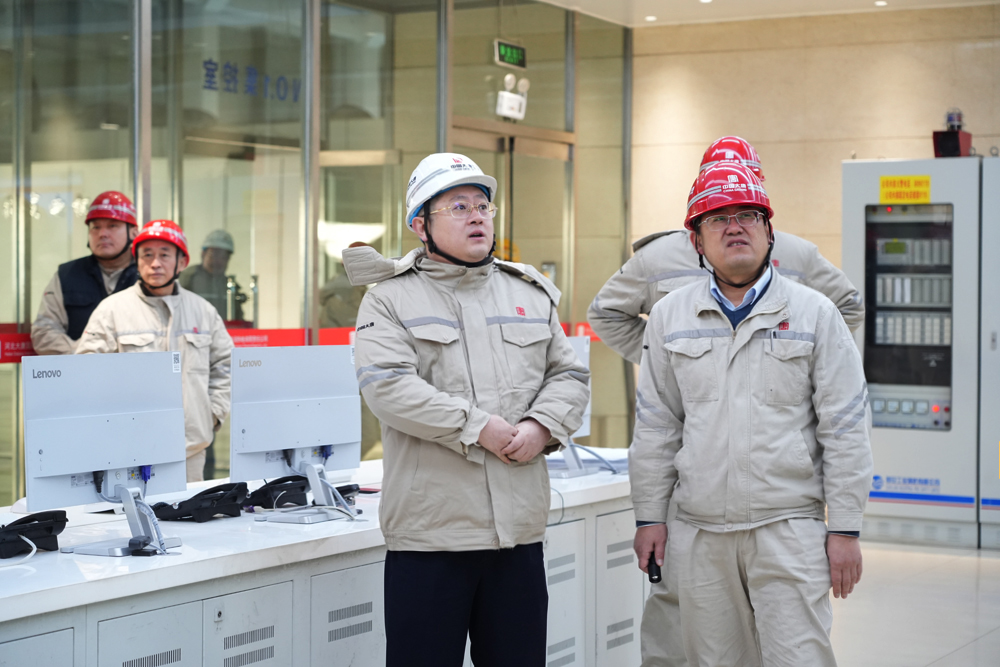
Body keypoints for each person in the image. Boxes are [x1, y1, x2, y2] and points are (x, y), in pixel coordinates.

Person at [343, 153, 590, 667]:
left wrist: (541, 426)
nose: (477, 216)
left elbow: (568, 375)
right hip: (431, 537)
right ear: (421, 226)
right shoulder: (389, 300)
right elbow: (387, 387)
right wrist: (478, 428)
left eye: (483, 205)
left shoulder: (528, 293)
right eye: (458, 207)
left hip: (518, 535)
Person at [630, 162, 873, 667]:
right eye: (717, 219)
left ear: (768, 231)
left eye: (747, 215)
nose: (734, 227)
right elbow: (657, 425)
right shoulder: (671, 317)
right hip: (700, 533)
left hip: (788, 528)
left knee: (799, 659)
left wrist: (845, 529)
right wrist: (650, 516)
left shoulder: (814, 314)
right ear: (697, 241)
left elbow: (846, 426)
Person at [588, 136, 865, 367]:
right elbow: (606, 313)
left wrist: (801, 358)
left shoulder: (797, 254)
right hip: (689, 405)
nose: (733, 226)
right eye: (720, 214)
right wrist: (666, 359)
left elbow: (848, 306)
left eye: (744, 211)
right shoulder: (657, 258)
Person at [76, 220, 234, 483]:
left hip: (189, 452)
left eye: (164, 255)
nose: (155, 263)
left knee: (188, 510)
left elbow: (227, 365)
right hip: (127, 453)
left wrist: (212, 415)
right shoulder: (112, 310)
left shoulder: (203, 311)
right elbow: (86, 372)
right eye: (147, 255)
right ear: (137, 262)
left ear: (182, 262)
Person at [31, 191, 140, 355]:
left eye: (112, 226)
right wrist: (86, 354)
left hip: (135, 368)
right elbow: (44, 331)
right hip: (79, 369)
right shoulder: (66, 275)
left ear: (133, 232)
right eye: (95, 227)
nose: (102, 234)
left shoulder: (149, 276)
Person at [179, 229, 242, 321]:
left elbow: (238, 319)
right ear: (203, 254)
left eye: (223, 256)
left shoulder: (230, 285)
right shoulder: (188, 277)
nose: (218, 261)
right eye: (214, 255)